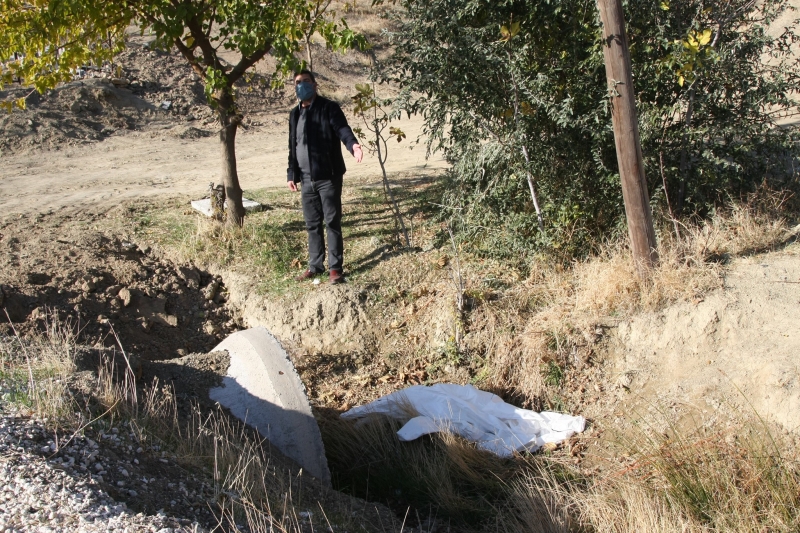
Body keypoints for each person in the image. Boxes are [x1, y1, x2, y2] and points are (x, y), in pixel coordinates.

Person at [287, 69, 363, 284]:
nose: (302, 85)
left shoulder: (329, 108)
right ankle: (315, 266)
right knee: (312, 224)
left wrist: (353, 145)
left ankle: (335, 268)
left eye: (306, 81)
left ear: (315, 85)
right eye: (298, 82)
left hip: (328, 177)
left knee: (332, 221)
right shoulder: (294, 114)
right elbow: (293, 146)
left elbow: (342, 129)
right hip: (306, 179)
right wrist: (291, 173)